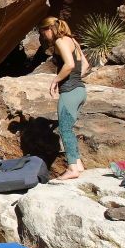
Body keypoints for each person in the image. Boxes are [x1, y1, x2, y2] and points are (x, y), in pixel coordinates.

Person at [39, 16, 90, 180]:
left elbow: (69, 64)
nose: (44, 37)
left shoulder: (60, 41)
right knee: (69, 128)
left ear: (48, 29)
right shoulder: (73, 41)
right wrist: (75, 79)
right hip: (80, 91)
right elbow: (86, 65)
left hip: (69, 92)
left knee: (65, 129)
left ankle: (72, 168)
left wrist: (56, 80)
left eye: (43, 32)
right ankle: (78, 164)